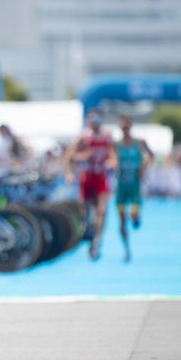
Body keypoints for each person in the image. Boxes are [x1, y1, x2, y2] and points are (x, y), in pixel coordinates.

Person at [64, 108, 117, 261]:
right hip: (86, 178)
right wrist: (70, 172)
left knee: (102, 211)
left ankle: (97, 241)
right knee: (85, 211)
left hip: (101, 177)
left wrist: (112, 163)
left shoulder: (107, 137)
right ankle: (89, 230)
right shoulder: (83, 138)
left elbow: (114, 155)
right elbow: (69, 155)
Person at [114, 115, 154, 262]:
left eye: (127, 126)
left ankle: (137, 218)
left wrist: (144, 168)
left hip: (134, 187)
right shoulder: (116, 145)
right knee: (122, 221)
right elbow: (112, 158)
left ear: (130, 126)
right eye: (122, 127)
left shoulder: (140, 143)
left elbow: (151, 155)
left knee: (133, 215)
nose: (125, 129)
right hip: (121, 189)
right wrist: (114, 164)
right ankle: (126, 249)